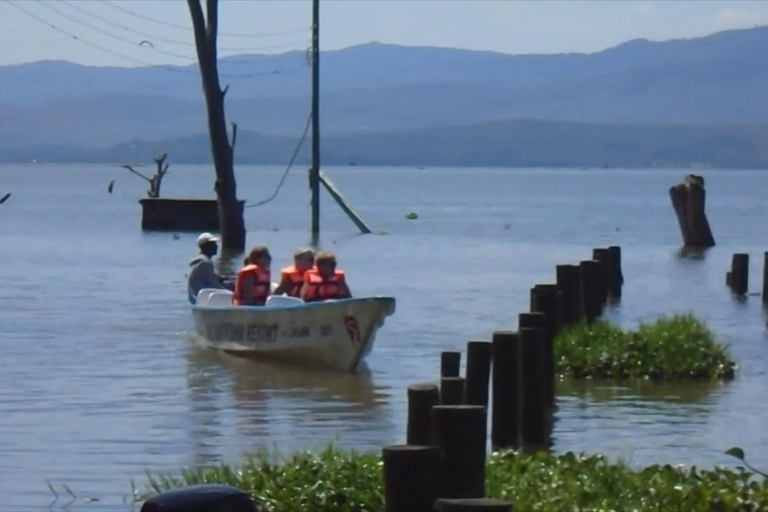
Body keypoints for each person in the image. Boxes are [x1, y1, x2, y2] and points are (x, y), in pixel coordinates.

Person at [188, 232, 228, 304]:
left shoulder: (198, 260)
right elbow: (215, 286)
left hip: (194, 298)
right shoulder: (205, 263)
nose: (216, 246)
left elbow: (206, 278)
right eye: (212, 244)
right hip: (203, 301)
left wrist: (219, 278)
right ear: (205, 246)